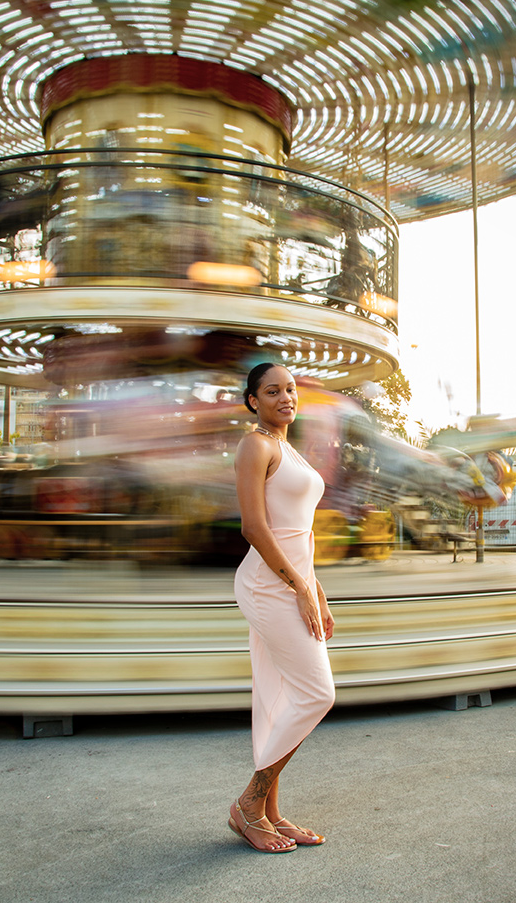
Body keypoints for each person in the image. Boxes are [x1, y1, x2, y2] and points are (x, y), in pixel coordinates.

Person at [228, 363, 336, 853]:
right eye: (272, 391)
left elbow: (302, 534)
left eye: (290, 389)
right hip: (265, 585)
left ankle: (271, 813)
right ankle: (249, 805)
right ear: (253, 400)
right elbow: (255, 527)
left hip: (294, 583)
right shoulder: (257, 445)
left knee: (280, 697)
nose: (285, 397)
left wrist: (317, 591)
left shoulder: (288, 447)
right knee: (317, 694)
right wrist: (298, 588)